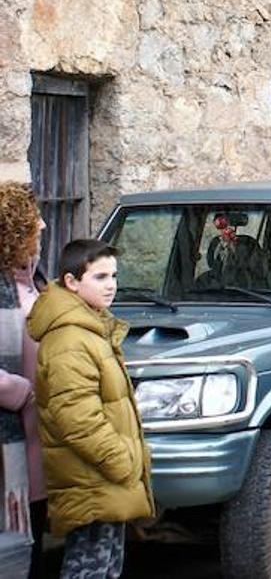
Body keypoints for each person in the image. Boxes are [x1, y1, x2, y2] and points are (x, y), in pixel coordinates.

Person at [29, 239, 153, 579]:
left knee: (105, 567)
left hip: (103, 480)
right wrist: (123, 462)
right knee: (89, 570)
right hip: (92, 481)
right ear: (72, 282)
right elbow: (77, 419)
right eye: (100, 277)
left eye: (113, 275)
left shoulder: (91, 330)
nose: (111, 284)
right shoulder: (70, 341)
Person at [0, 184, 47, 579]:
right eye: (34, 221)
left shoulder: (31, 283)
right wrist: (19, 391)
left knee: (31, 541)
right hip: (9, 442)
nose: (44, 225)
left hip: (34, 443)